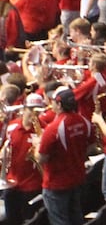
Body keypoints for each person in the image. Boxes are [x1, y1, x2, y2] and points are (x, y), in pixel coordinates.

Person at [36, 86, 91, 225]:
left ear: (59, 104)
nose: (51, 103)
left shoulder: (53, 128)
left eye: (53, 101)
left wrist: (38, 144)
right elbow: (90, 147)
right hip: (77, 178)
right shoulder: (84, 121)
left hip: (56, 184)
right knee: (76, 217)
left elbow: (41, 158)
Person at [4, 93, 45, 223]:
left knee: (30, 220)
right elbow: (5, 147)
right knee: (12, 220)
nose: (33, 113)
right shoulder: (12, 127)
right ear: (24, 109)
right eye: (30, 109)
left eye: (37, 110)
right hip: (11, 183)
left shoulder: (44, 130)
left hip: (32, 185)